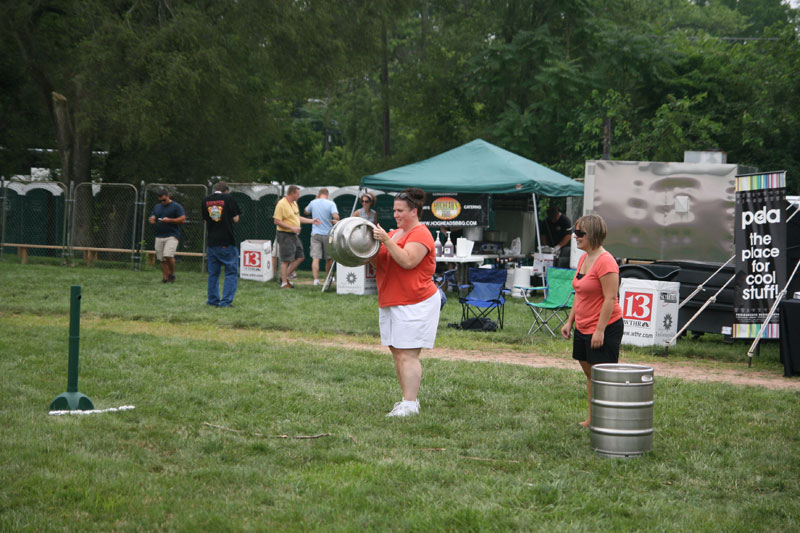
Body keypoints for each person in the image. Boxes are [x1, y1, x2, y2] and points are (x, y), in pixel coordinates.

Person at [371, 188, 440, 417]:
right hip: (392, 299)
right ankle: (406, 402)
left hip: (415, 301)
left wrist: (387, 241)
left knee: (407, 354)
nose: (396, 214)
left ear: (414, 210)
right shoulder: (395, 233)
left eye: (400, 210)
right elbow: (381, 262)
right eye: (394, 210)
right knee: (397, 352)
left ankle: (410, 405)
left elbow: (408, 261)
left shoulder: (421, 234)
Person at [560, 214, 624, 427]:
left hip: (604, 327)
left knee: (603, 377)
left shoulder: (606, 262)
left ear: (593, 235)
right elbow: (579, 292)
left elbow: (610, 298)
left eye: (579, 233)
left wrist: (600, 330)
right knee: (591, 376)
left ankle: (610, 421)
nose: (575, 237)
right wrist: (570, 322)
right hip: (583, 326)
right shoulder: (584, 258)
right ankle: (593, 419)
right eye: (575, 232)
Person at [202, 181, 241, 307]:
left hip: (212, 242)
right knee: (230, 273)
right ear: (226, 190)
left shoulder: (206, 200)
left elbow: (206, 219)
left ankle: (212, 301)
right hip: (226, 241)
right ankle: (225, 302)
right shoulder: (228, 198)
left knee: (213, 274)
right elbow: (236, 219)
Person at [273, 185, 320, 288]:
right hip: (284, 234)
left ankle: (283, 277)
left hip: (293, 234)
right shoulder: (281, 204)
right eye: (298, 194)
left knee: (300, 257)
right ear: (292, 193)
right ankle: (284, 283)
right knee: (286, 259)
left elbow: (297, 217)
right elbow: (277, 221)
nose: (299, 196)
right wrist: (292, 227)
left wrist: (312, 221)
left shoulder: (294, 203)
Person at [148, 189, 186, 283]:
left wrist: (169, 220)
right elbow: (153, 215)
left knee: (168, 255)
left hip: (172, 235)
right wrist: (152, 218)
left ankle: (172, 274)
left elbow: (183, 219)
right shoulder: (157, 207)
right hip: (159, 235)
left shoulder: (176, 206)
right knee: (161, 258)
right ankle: (165, 278)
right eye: (160, 200)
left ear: (168, 196)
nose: (162, 202)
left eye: (164, 200)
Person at [304, 188, 340, 286]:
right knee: (329, 258)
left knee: (316, 258)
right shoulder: (331, 203)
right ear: (327, 195)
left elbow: (306, 212)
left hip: (315, 233)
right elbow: (336, 217)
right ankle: (328, 278)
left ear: (319, 194)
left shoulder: (313, 202)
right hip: (328, 234)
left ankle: (315, 280)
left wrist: (315, 201)